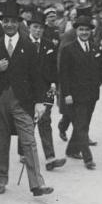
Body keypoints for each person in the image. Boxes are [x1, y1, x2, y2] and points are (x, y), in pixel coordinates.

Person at [0, 0, 53, 196]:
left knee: (29, 141)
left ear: (19, 23)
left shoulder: (29, 46)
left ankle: (36, 183)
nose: (9, 24)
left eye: (13, 21)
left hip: (22, 101)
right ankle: (0, 179)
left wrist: (40, 101)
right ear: (1, 22)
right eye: (5, 21)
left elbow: (37, 77)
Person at [59, 13, 102, 170]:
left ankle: (71, 149)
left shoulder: (96, 47)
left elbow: (101, 70)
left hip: (92, 94)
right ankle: (88, 158)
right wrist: (66, 94)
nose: (84, 32)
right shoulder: (68, 49)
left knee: (84, 123)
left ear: (91, 31)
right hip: (75, 95)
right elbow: (64, 74)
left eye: (87, 30)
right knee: (82, 125)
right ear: (76, 31)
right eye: (81, 29)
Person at [25, 12, 66, 171]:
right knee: (28, 122)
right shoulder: (23, 43)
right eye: (35, 27)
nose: (38, 31)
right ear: (29, 28)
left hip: (44, 88)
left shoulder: (49, 45)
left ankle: (50, 158)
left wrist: (54, 83)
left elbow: (53, 67)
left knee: (45, 120)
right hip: (26, 90)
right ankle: (23, 152)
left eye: (41, 28)